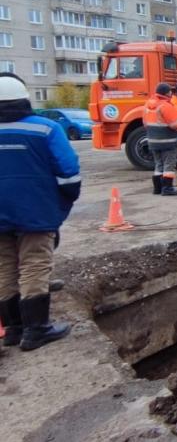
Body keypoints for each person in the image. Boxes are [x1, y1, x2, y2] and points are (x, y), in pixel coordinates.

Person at [0, 73, 79, 351]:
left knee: (5, 267)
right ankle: (36, 330)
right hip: (35, 211)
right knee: (34, 263)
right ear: (24, 99)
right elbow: (69, 173)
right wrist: (60, 207)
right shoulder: (45, 129)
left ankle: (12, 329)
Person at [144, 82, 177, 196]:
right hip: (167, 141)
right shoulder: (165, 106)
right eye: (170, 91)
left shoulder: (148, 105)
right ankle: (167, 188)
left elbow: (145, 124)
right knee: (169, 165)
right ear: (167, 93)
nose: (171, 93)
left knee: (158, 164)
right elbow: (175, 124)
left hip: (153, 141)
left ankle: (157, 189)